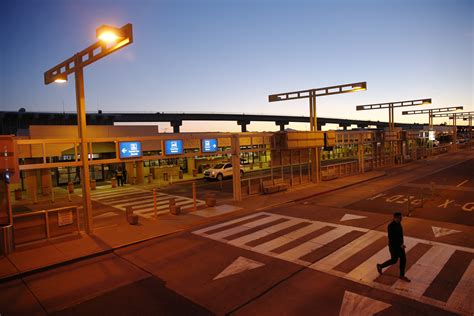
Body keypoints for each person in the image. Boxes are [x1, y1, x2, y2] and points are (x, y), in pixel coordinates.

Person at [377, 212, 411, 282]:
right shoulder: (391, 226)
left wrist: (402, 243)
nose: (401, 219)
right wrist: (399, 244)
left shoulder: (399, 224)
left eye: (401, 218)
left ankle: (402, 275)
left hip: (399, 246)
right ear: (395, 218)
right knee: (394, 260)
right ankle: (380, 266)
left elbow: (400, 235)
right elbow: (391, 238)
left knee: (403, 259)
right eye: (399, 218)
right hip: (394, 247)